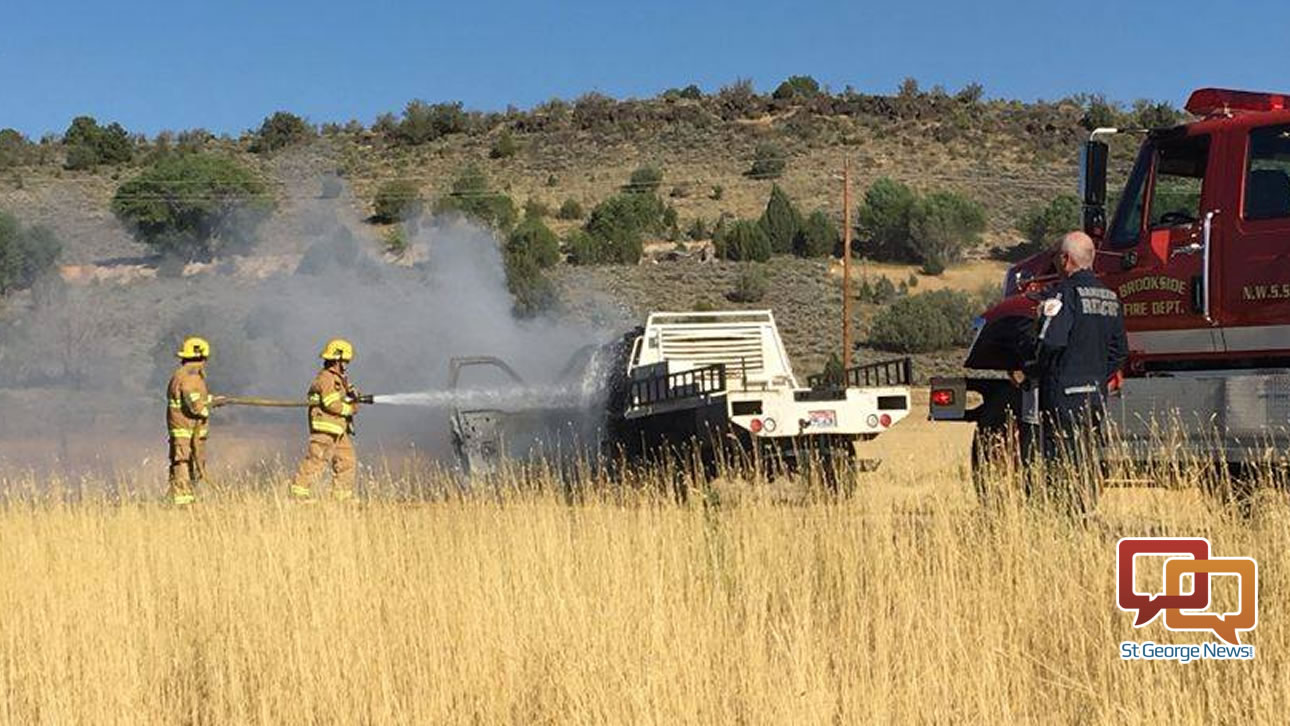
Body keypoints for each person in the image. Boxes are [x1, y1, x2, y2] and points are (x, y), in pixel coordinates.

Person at [1030, 231, 1129, 511]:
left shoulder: (1064, 293)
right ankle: (1085, 511)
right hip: (1095, 397)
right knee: (1085, 457)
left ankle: (1064, 518)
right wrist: (1097, 377)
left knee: (1060, 458)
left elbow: (1052, 341)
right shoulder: (1110, 297)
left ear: (1065, 259)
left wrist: (1033, 370)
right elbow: (1119, 351)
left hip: (1063, 393)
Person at [290, 338, 362, 502]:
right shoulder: (327, 378)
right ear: (338, 359)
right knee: (317, 460)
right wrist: (350, 408)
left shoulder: (339, 379)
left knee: (346, 461)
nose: (346, 364)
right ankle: (298, 497)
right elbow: (331, 404)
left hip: (338, 429)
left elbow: (342, 399)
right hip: (326, 428)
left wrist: (353, 396)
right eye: (345, 361)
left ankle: (341, 499)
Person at [166, 336, 217, 506]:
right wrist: (202, 409)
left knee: (193, 463)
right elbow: (192, 401)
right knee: (183, 463)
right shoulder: (188, 377)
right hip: (186, 430)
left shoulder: (184, 375)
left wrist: (213, 400)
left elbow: (198, 398)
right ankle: (183, 501)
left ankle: (189, 496)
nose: (204, 364)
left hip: (190, 431)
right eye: (204, 360)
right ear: (199, 358)